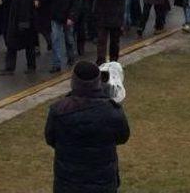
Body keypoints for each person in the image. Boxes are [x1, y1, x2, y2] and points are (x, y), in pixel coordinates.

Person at [45, 61, 130, 193]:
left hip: (68, 183)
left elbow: (50, 138)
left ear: (73, 81)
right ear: (98, 82)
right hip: (102, 182)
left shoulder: (59, 110)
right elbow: (123, 136)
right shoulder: (111, 110)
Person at [90, 0, 131, 65]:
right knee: (101, 40)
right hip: (101, 11)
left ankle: (113, 61)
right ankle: (101, 62)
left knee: (114, 40)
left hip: (116, 12)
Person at [1, 0, 38, 75]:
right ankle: (14, 67)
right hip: (21, 23)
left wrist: (23, 25)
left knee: (23, 45)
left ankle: (14, 67)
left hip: (22, 24)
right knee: (23, 45)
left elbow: (25, 10)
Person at [47, 0, 81, 73]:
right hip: (55, 14)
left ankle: (71, 57)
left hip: (68, 15)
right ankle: (56, 63)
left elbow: (76, 0)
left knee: (69, 39)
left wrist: (72, 16)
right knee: (55, 39)